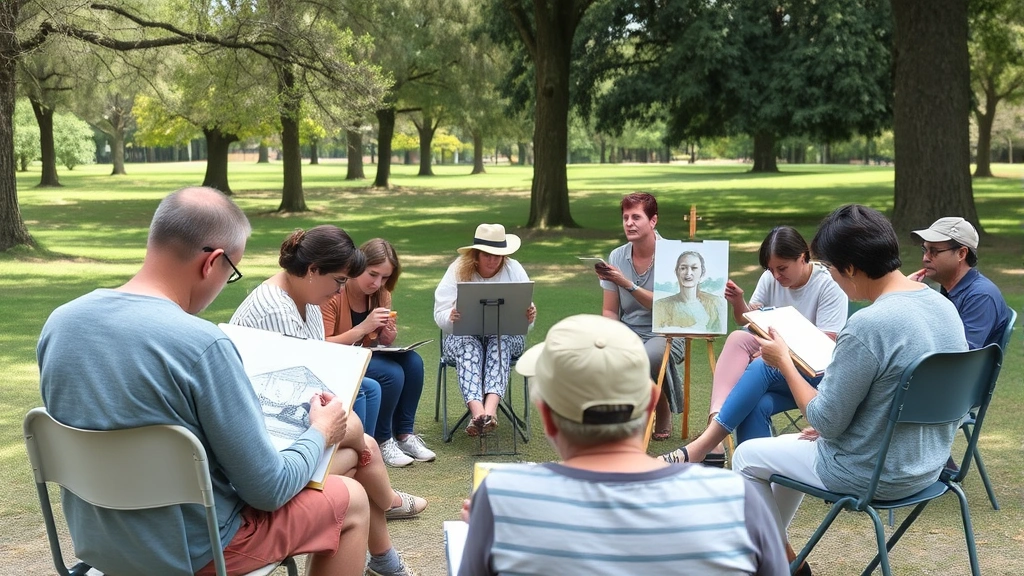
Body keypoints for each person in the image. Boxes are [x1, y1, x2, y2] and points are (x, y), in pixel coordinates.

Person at [37, 187, 370, 576]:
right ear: (212, 262)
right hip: (197, 549)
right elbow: (268, 491)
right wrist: (319, 431)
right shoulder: (202, 345)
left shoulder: (61, 324)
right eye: (231, 274)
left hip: (100, 543)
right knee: (353, 500)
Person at [731, 205, 968, 574]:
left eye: (832, 269)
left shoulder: (867, 326)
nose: (832, 278)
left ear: (852, 268)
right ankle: (771, 559)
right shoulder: (943, 306)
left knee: (746, 457)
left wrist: (784, 362)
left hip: (871, 472)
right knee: (785, 451)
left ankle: (780, 562)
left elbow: (825, 420)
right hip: (928, 466)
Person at [458, 314, 788, 575]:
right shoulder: (738, 501)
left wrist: (492, 531)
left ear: (546, 416)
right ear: (650, 403)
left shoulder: (501, 499)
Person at [229, 225, 425, 576]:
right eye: (337, 280)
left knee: (358, 451)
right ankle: (388, 508)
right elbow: (300, 399)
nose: (340, 289)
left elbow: (316, 386)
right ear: (313, 269)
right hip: (271, 448)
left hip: (285, 440)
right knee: (359, 446)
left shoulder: (304, 299)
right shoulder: (277, 307)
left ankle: (384, 553)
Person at [660, 226, 847, 466]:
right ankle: (746, 467)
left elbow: (826, 346)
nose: (776, 276)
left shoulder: (828, 284)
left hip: (816, 377)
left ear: (803, 256)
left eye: (782, 268)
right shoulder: (771, 277)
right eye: (771, 269)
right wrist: (739, 301)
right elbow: (748, 320)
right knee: (741, 345)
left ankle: (704, 446)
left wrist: (778, 351)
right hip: (779, 370)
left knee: (761, 365)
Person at [322, 238, 435, 468]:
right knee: (391, 373)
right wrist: (363, 327)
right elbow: (323, 344)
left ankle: (404, 434)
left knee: (413, 362)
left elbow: (377, 340)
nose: (377, 282)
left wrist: (387, 336)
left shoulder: (381, 295)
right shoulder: (334, 293)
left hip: (364, 353)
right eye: (373, 274)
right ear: (358, 266)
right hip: (337, 357)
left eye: (384, 277)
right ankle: (383, 439)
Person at [595, 192, 684, 440]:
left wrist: (628, 284)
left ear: (653, 221)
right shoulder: (616, 257)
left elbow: (668, 307)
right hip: (629, 329)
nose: (629, 223)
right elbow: (610, 310)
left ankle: (651, 410)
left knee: (647, 358)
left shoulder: (672, 255)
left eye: (636, 217)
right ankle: (649, 406)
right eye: (625, 217)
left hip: (667, 329)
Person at [434, 223, 537, 435]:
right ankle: (479, 413)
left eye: (498, 255)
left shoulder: (514, 269)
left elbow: (526, 318)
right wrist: (450, 316)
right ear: (476, 255)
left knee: (499, 343)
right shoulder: (457, 269)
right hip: (463, 336)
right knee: (468, 346)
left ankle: (488, 412)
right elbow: (440, 314)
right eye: (487, 255)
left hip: (506, 336)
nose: (493, 260)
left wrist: (529, 317)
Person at [908, 217, 1011, 349]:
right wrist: (907, 295)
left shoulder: (981, 296)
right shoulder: (949, 289)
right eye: (925, 250)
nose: (925, 258)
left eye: (934, 251)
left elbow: (962, 354)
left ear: (961, 254)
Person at [652, 249, 726, 332]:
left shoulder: (716, 303)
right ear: (676, 272)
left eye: (694, 268)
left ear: (702, 273)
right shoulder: (661, 305)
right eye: (683, 268)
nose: (688, 273)